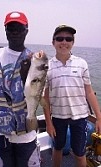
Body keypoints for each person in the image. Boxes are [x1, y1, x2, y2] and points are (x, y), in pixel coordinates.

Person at [0, 11, 40, 167]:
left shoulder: (34, 60)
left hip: (26, 134)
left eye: (19, 28)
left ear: (27, 30)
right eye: (11, 29)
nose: (15, 32)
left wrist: (27, 77)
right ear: (5, 31)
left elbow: (40, 93)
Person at [43, 24, 101, 167]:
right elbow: (45, 98)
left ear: (73, 43)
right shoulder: (46, 67)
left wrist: (99, 117)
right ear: (53, 42)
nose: (64, 42)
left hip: (80, 117)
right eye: (60, 38)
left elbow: (89, 91)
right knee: (57, 149)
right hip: (57, 117)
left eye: (68, 39)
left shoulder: (81, 63)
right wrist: (48, 123)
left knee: (80, 153)